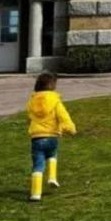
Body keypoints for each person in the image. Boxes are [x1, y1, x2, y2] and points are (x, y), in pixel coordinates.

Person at [26, 71, 77, 202]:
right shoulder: (55, 101)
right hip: (52, 136)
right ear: (52, 85)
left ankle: (35, 194)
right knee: (52, 156)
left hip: (36, 138)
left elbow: (30, 117)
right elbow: (63, 116)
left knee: (38, 165)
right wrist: (70, 128)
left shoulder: (32, 101)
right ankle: (52, 177)